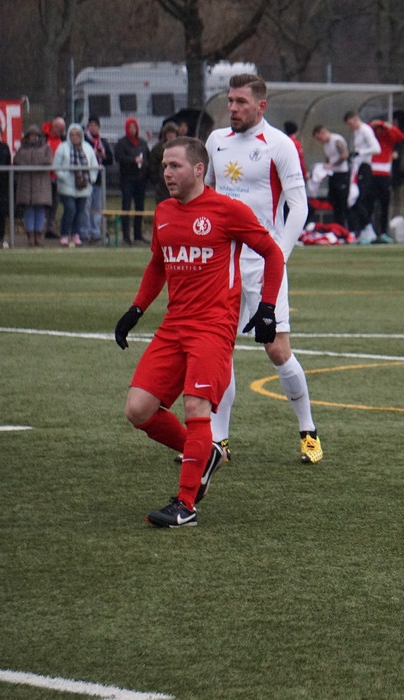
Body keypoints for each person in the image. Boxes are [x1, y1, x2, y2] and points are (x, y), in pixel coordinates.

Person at [114, 136, 285, 527]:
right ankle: (206, 453)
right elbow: (158, 264)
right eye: (164, 166)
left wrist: (267, 308)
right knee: (137, 410)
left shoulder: (228, 210)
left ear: (198, 169)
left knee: (196, 408)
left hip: (213, 326)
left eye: (174, 166)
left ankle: (186, 505)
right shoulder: (163, 212)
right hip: (174, 325)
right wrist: (136, 309)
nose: (167, 173)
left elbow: (272, 254)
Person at [205, 73, 322, 465]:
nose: (233, 108)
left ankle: (308, 431)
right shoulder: (216, 141)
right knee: (219, 349)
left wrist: (279, 256)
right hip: (222, 264)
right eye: (230, 101)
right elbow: (206, 194)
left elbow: (299, 206)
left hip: (262, 262)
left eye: (241, 101)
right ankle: (218, 441)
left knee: (276, 348)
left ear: (261, 105)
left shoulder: (279, 144)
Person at [53, 123, 99, 246]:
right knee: (70, 209)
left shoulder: (88, 148)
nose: (74, 137)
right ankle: (64, 234)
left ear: (81, 135)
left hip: (84, 186)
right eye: (72, 135)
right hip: (67, 186)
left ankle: (76, 234)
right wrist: (64, 177)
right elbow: (56, 166)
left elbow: (94, 165)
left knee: (80, 212)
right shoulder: (62, 148)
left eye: (77, 135)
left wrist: (92, 178)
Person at [345, 110, 382, 243]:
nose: (351, 127)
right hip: (357, 167)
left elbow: (377, 148)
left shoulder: (365, 130)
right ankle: (363, 229)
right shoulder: (356, 132)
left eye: (351, 124)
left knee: (358, 200)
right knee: (353, 200)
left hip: (364, 167)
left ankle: (369, 229)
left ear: (356, 119)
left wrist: (360, 152)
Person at [14, 124, 54, 246]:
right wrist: (35, 164)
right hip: (26, 183)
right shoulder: (22, 149)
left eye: (35, 135)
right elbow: (17, 161)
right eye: (31, 135)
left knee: (40, 210)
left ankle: (38, 235)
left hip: (41, 184)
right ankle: (30, 237)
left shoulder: (46, 148)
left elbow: (48, 161)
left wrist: (31, 164)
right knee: (29, 210)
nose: (33, 137)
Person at [115, 117, 152, 244]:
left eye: (134, 127)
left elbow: (147, 157)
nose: (132, 130)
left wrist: (145, 167)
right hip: (127, 179)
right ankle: (126, 236)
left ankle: (138, 235)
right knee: (126, 206)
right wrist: (133, 160)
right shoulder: (122, 143)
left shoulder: (142, 143)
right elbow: (119, 157)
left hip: (140, 180)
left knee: (139, 207)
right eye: (130, 127)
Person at [368, 118, 404, 242]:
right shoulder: (371, 133)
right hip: (372, 171)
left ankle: (383, 231)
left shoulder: (388, 134)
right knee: (370, 204)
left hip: (384, 172)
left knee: (384, 204)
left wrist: (385, 125)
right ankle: (371, 231)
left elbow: (400, 136)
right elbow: (364, 130)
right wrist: (374, 125)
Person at [312, 124, 350, 227]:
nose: (320, 141)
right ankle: (336, 224)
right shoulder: (326, 146)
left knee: (341, 201)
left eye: (320, 138)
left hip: (342, 173)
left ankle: (343, 225)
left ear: (323, 133)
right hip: (333, 174)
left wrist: (332, 165)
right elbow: (328, 160)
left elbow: (344, 155)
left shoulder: (336, 140)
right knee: (333, 201)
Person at [84, 116, 113, 243]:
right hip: (87, 179)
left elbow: (110, 160)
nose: (93, 127)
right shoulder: (84, 141)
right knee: (86, 207)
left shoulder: (102, 142)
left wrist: (103, 156)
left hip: (100, 180)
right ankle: (85, 231)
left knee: (97, 207)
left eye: (95, 125)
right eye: (91, 125)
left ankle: (95, 232)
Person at [42, 117, 66, 240]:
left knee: (55, 203)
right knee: (44, 203)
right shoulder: (43, 139)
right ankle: (41, 228)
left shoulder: (63, 141)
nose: (62, 132)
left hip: (57, 177)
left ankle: (50, 228)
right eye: (60, 129)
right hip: (45, 176)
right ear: (54, 127)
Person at [149, 122, 179, 204]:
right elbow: (153, 165)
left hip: (178, 182)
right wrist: (157, 179)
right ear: (165, 134)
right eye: (169, 133)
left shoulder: (181, 148)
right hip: (162, 184)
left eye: (173, 133)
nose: (171, 135)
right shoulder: (158, 148)